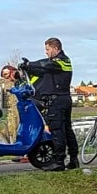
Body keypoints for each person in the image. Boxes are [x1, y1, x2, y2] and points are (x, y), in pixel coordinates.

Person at [21, 37, 77, 171]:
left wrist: (30, 64)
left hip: (57, 100)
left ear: (56, 49)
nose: (46, 52)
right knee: (66, 130)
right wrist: (28, 68)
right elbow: (42, 69)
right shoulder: (56, 64)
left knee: (58, 130)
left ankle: (58, 162)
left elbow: (46, 64)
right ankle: (73, 159)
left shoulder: (62, 61)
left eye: (47, 49)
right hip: (62, 99)